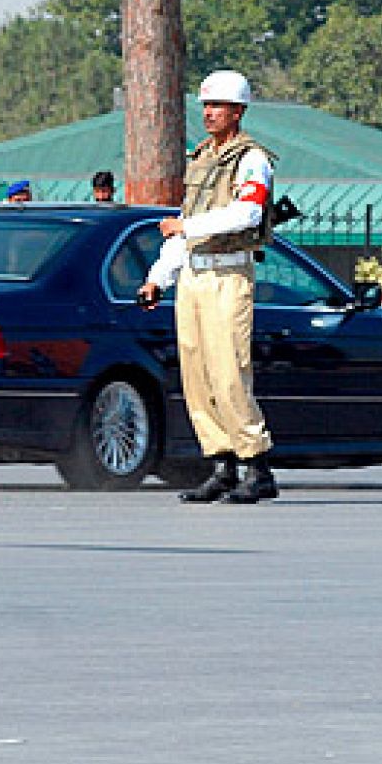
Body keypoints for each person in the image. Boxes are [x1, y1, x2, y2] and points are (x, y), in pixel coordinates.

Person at [137, 69, 277, 504]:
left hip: (228, 275)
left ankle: (257, 466)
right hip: (195, 275)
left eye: (217, 106)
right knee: (197, 376)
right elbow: (185, 232)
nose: (209, 113)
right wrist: (158, 278)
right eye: (206, 106)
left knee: (229, 372)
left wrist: (187, 225)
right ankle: (222, 464)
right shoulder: (201, 159)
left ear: (238, 111)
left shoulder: (252, 159)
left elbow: (247, 214)